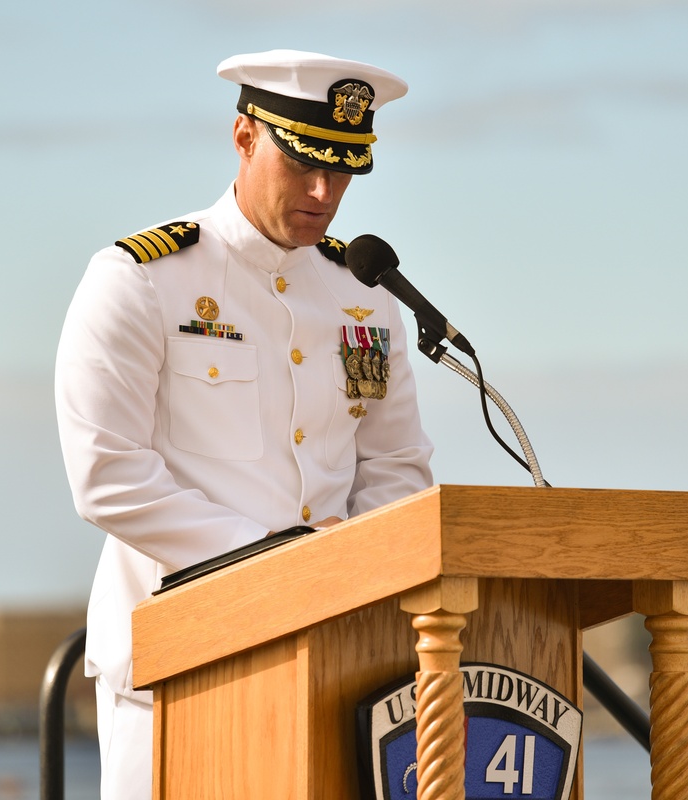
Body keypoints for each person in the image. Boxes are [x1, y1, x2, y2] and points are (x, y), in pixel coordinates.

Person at [54, 49, 434, 799]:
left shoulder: (365, 297)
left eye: (346, 168)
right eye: (303, 163)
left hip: (337, 659)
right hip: (180, 662)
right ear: (244, 138)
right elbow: (108, 476)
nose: (325, 191)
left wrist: (350, 575)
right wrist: (283, 563)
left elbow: (397, 471)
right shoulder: (141, 280)